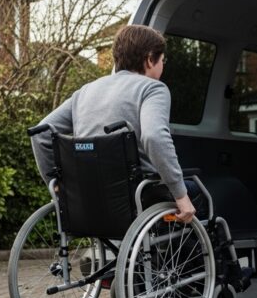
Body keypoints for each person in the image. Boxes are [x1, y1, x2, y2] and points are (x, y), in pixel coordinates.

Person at [31, 25, 201, 223]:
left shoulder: (85, 91)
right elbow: (154, 137)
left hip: (87, 196)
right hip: (137, 195)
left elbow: (40, 133)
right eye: (162, 60)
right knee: (199, 192)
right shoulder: (153, 88)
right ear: (149, 59)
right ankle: (194, 253)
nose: (163, 66)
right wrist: (181, 196)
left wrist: (57, 185)